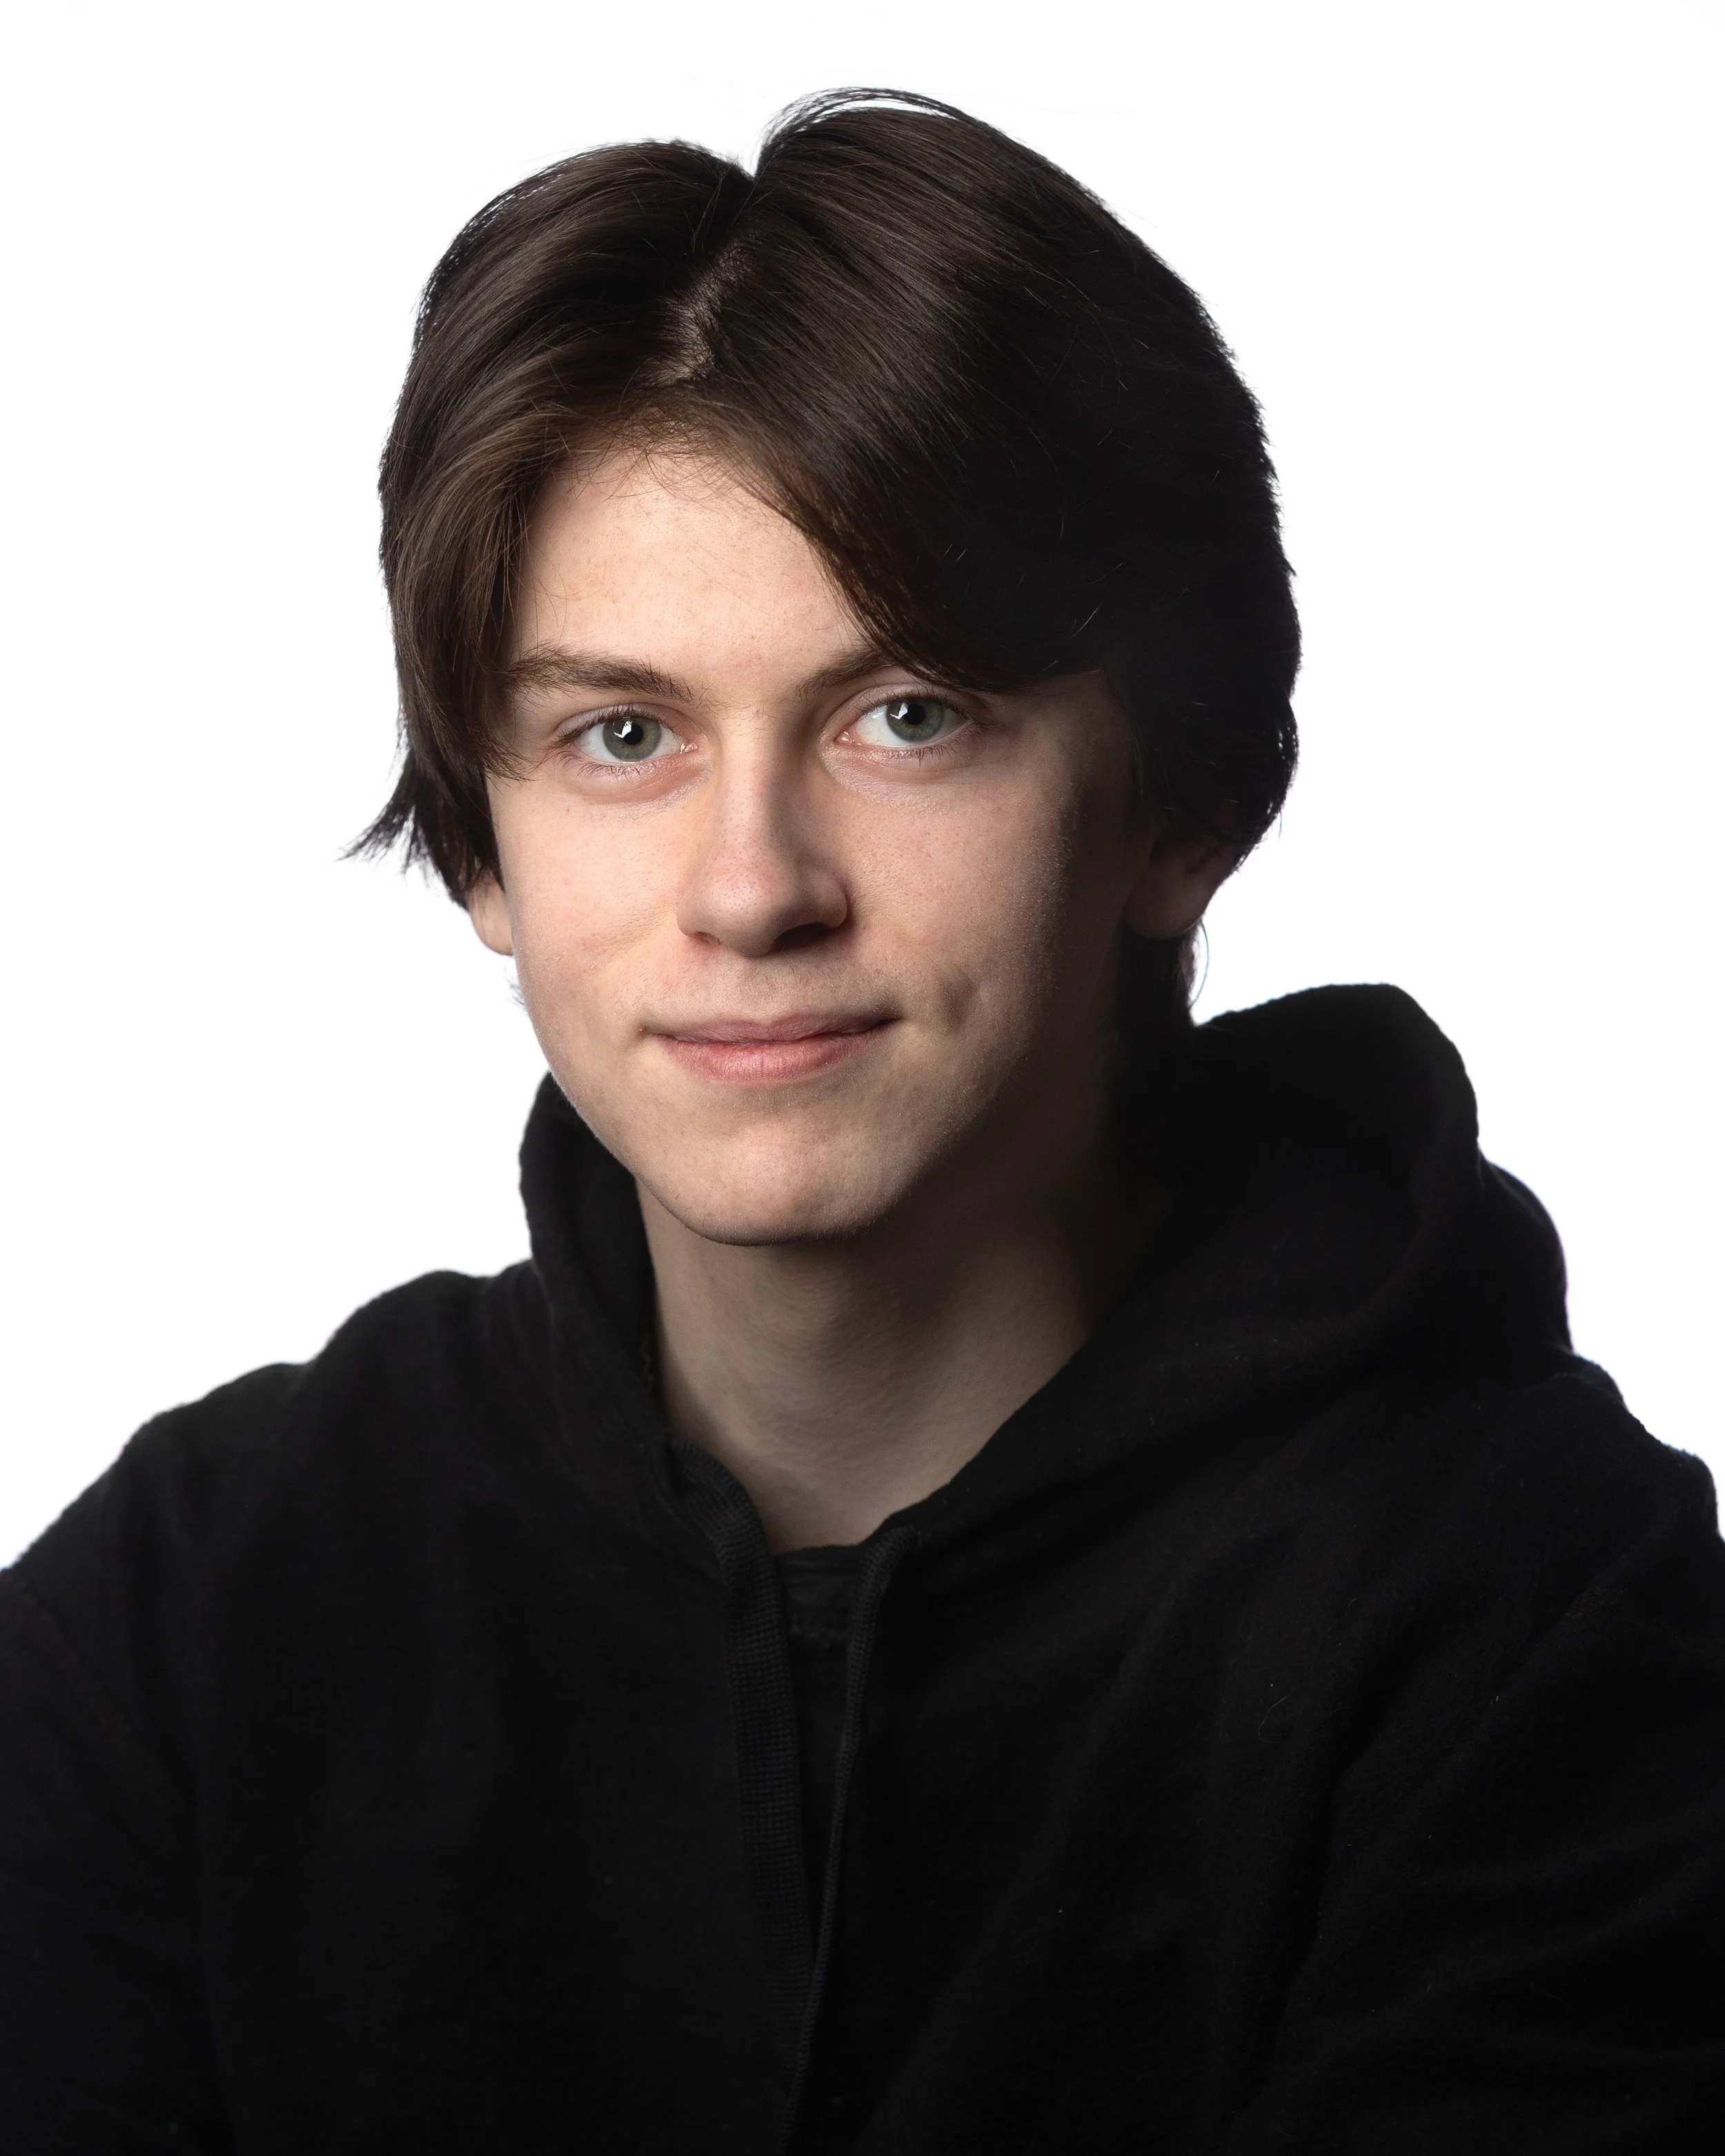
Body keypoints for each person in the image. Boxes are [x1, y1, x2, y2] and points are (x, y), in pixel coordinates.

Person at [1, 88, 1721, 2156]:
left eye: (904, 714)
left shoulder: (1549, 1619)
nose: (751, 888)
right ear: (481, 840)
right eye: (619, 734)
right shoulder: (188, 1613)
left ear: (1183, 800)